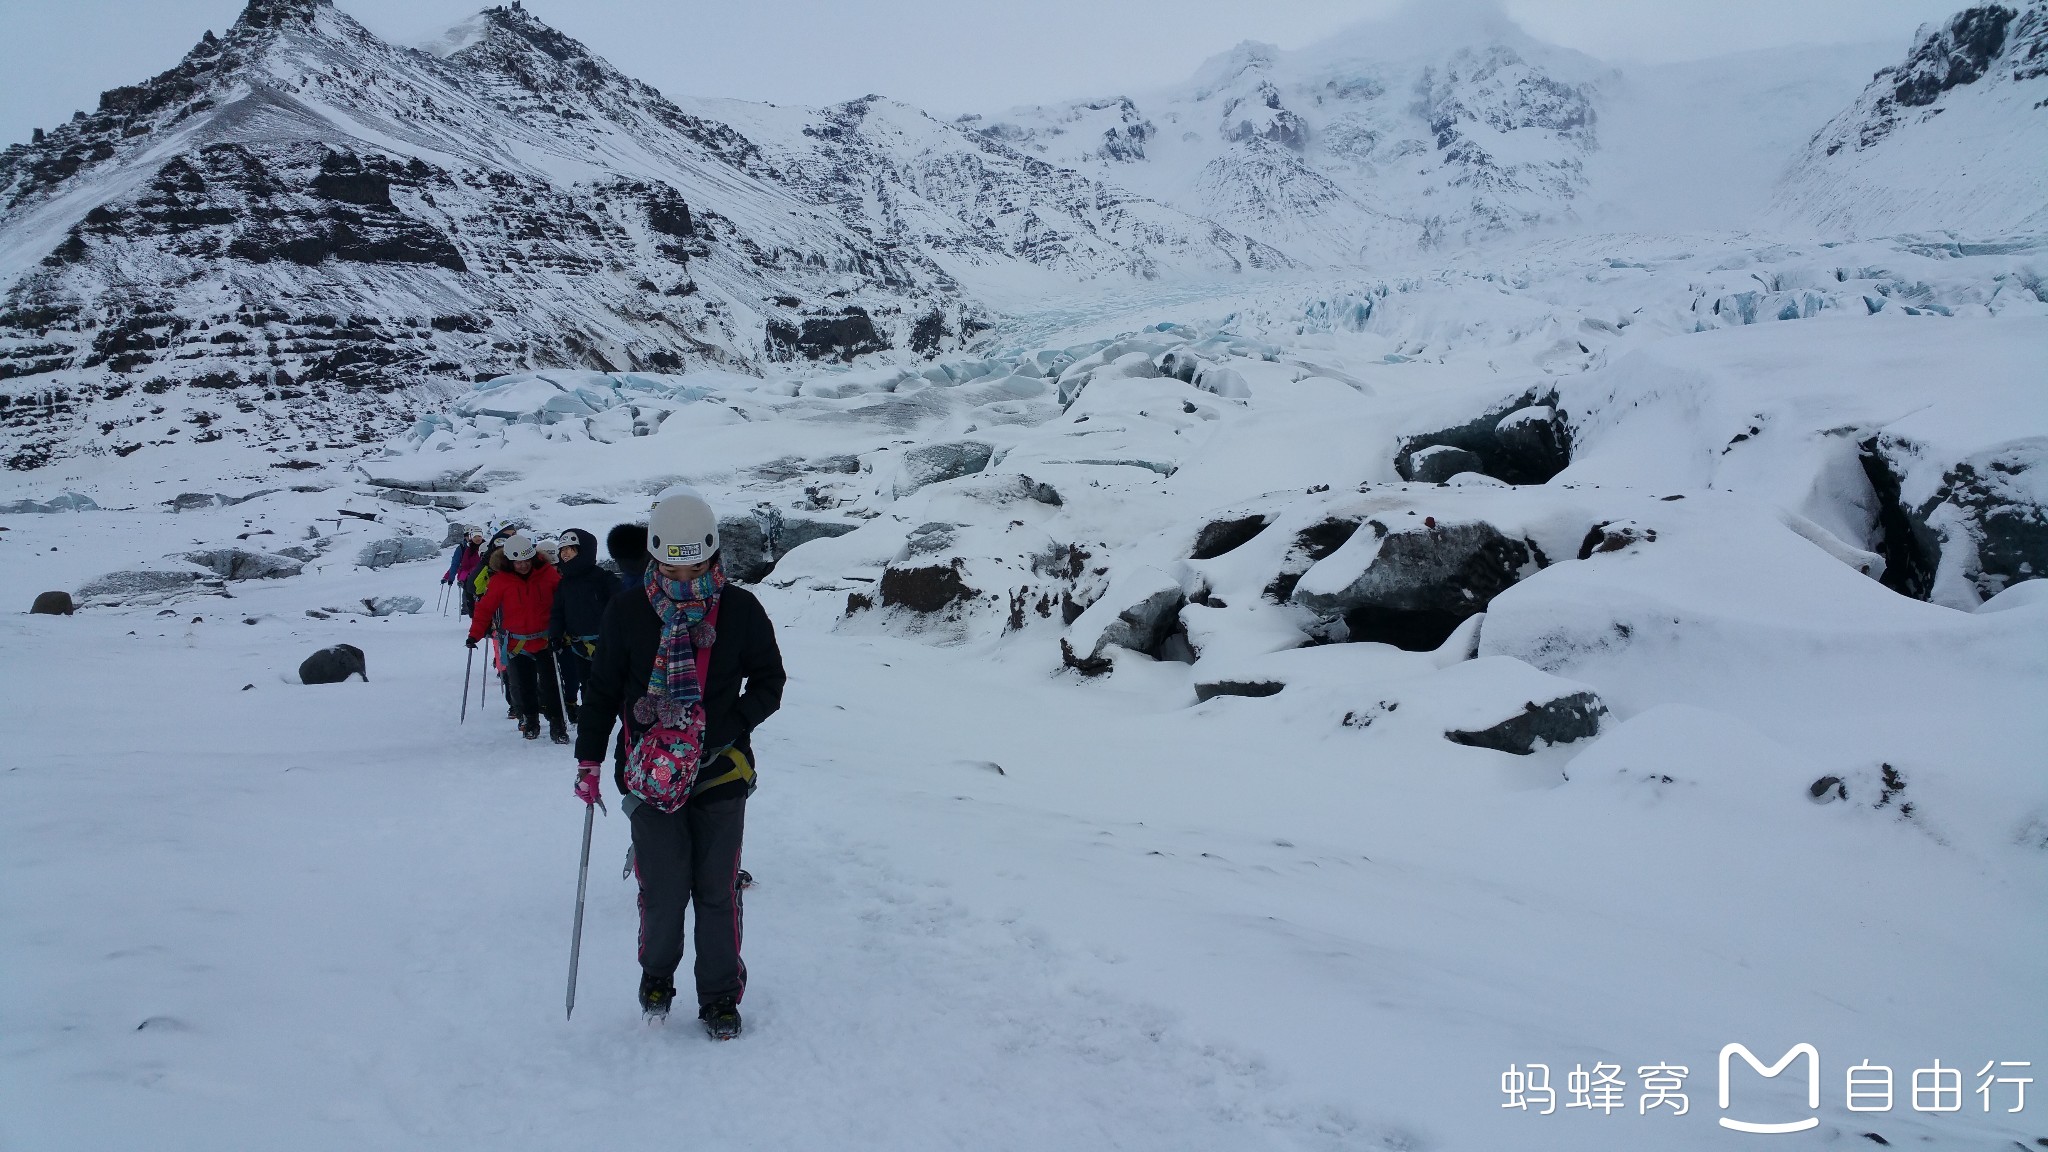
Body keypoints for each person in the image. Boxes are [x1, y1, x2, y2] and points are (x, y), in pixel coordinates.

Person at [573, 487, 785, 1038]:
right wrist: (589, 759)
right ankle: (656, 978)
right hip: (648, 776)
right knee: (663, 890)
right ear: (654, 553)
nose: (685, 577)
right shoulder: (626, 610)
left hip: (718, 772)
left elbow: (769, 683)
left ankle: (719, 995)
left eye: (695, 565)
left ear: (713, 554)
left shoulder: (739, 609)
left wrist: (723, 727)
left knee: (715, 889)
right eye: (673, 564)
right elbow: (601, 692)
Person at [466, 534, 569, 743]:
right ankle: (531, 722)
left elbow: (564, 600)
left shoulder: (548, 574)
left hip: (545, 641)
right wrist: (474, 635)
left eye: (526, 561)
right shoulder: (499, 581)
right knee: (525, 686)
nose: (523, 566)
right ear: (509, 561)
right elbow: (485, 608)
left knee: (551, 686)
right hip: (517, 643)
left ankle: (558, 725)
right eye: (518, 562)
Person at [549, 528, 619, 726]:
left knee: (614, 684)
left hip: (606, 644)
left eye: (571, 549)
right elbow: (558, 613)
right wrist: (555, 634)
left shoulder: (602, 578)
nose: (565, 553)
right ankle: (592, 721)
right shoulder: (564, 585)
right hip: (579, 646)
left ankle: (621, 718)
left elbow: (620, 603)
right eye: (562, 549)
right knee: (586, 685)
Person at [444, 527, 487, 616]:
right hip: (470, 577)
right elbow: (459, 565)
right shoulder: (465, 549)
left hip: (484, 577)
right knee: (470, 596)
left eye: (479, 536)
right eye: (474, 536)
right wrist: (450, 578)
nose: (477, 538)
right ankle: (469, 611)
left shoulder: (487, 546)